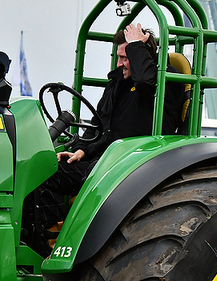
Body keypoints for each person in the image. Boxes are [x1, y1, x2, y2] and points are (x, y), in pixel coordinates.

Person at [34, 24, 185, 234]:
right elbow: (100, 124)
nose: (120, 63)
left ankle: (54, 236)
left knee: (53, 174)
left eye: (126, 57)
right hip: (108, 158)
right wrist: (81, 150)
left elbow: (146, 80)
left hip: (134, 162)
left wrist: (136, 46)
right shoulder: (118, 83)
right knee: (43, 167)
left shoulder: (165, 79)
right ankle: (45, 235)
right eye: (119, 56)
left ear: (142, 53)